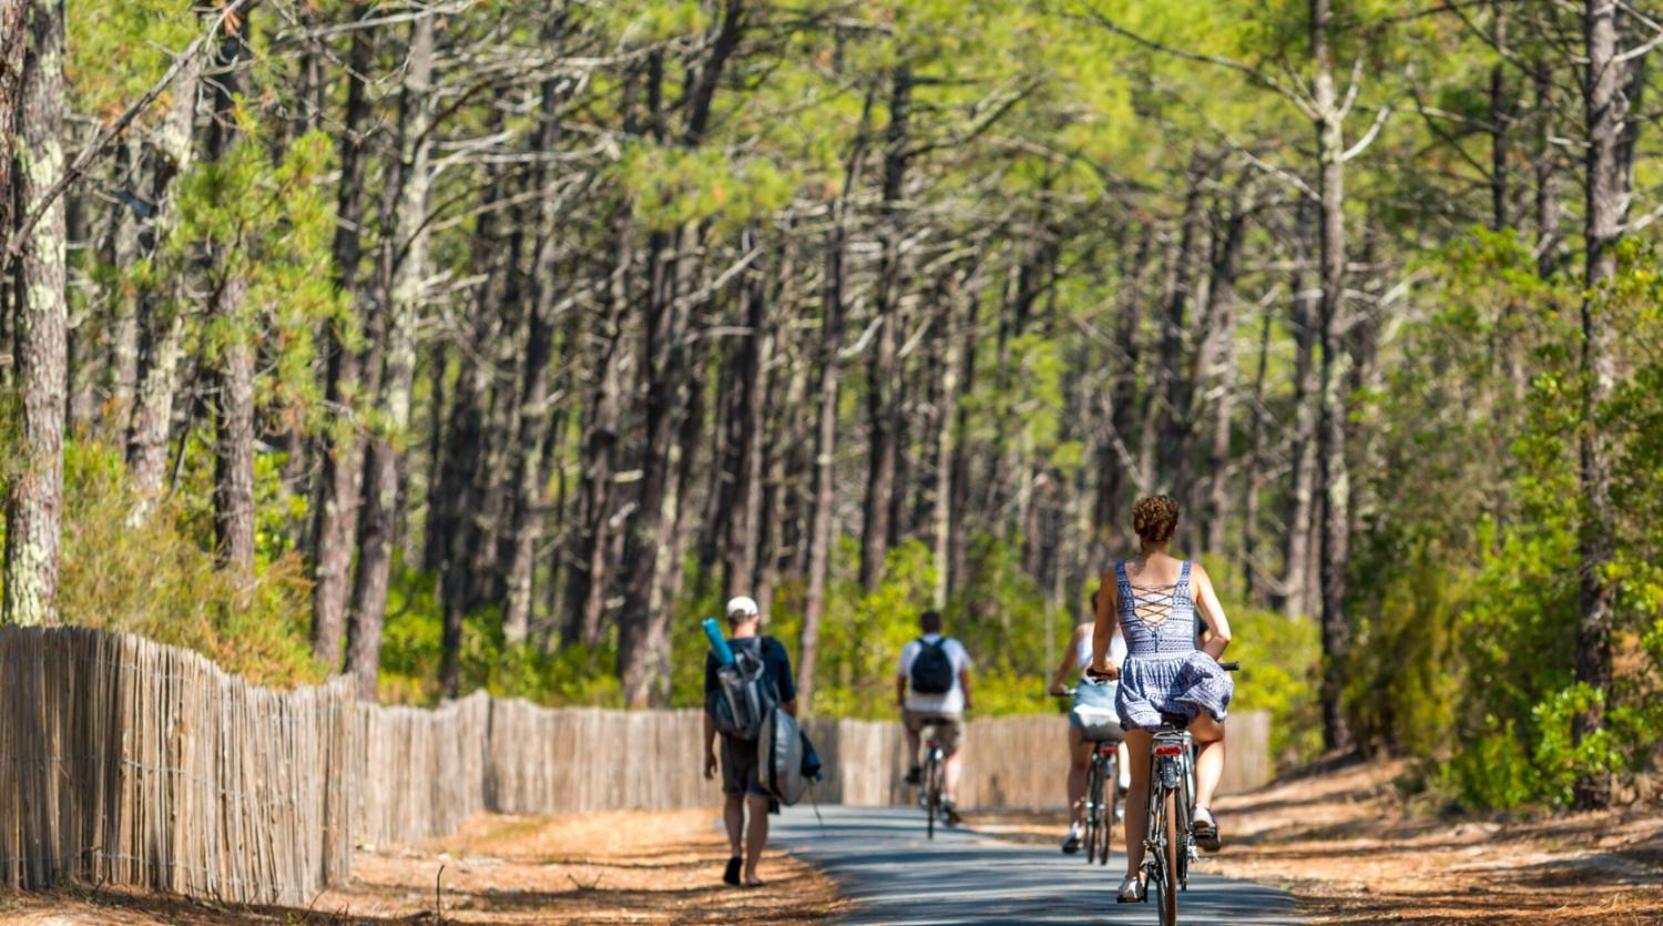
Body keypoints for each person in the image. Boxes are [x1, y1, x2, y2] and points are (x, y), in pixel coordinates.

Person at [1088, 495, 1234, 903]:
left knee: (1139, 782)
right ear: (1173, 530)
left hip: (1137, 678)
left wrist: (1101, 664)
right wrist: (1199, 665)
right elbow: (1223, 633)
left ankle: (1133, 877)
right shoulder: (1193, 572)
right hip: (1185, 677)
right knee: (1213, 738)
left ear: (1137, 529)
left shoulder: (1114, 574)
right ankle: (1202, 807)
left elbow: (1101, 635)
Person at [703, 595, 797, 888]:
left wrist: (707, 750)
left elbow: (709, 707)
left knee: (733, 797)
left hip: (731, 738)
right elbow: (790, 701)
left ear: (729, 623)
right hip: (766, 738)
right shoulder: (772, 649)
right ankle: (751, 872)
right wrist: (789, 736)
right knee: (758, 803)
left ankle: (734, 851)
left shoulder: (716, 654)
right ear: (756, 618)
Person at [1047, 592, 1130, 853]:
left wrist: (1056, 686)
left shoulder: (1084, 632)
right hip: (1117, 708)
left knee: (1078, 767)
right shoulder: (1130, 632)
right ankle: (1125, 776)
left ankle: (1077, 828)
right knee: (1127, 729)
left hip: (1086, 708)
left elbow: (1064, 669)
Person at [896, 609, 973, 824]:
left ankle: (914, 763)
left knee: (912, 729)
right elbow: (964, 678)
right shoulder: (954, 646)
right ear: (940, 626)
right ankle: (949, 796)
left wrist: (900, 699)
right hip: (949, 708)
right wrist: (967, 700)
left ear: (921, 626)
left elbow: (901, 679)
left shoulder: (911, 647)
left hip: (917, 706)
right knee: (952, 753)